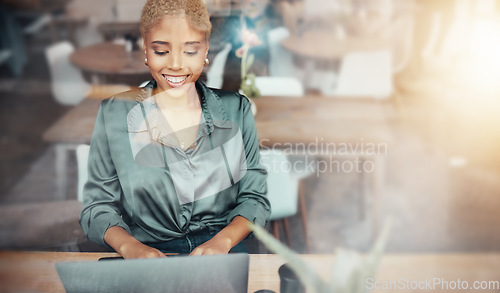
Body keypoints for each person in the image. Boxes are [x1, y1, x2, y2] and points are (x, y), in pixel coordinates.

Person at [79, 0, 270, 259]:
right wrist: (129, 246)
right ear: (145, 51)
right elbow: (97, 206)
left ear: (205, 52)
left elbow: (254, 198)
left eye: (190, 51)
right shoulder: (114, 113)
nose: (176, 65)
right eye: (161, 51)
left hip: (223, 249)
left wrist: (223, 241)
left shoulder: (237, 110)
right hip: (145, 252)